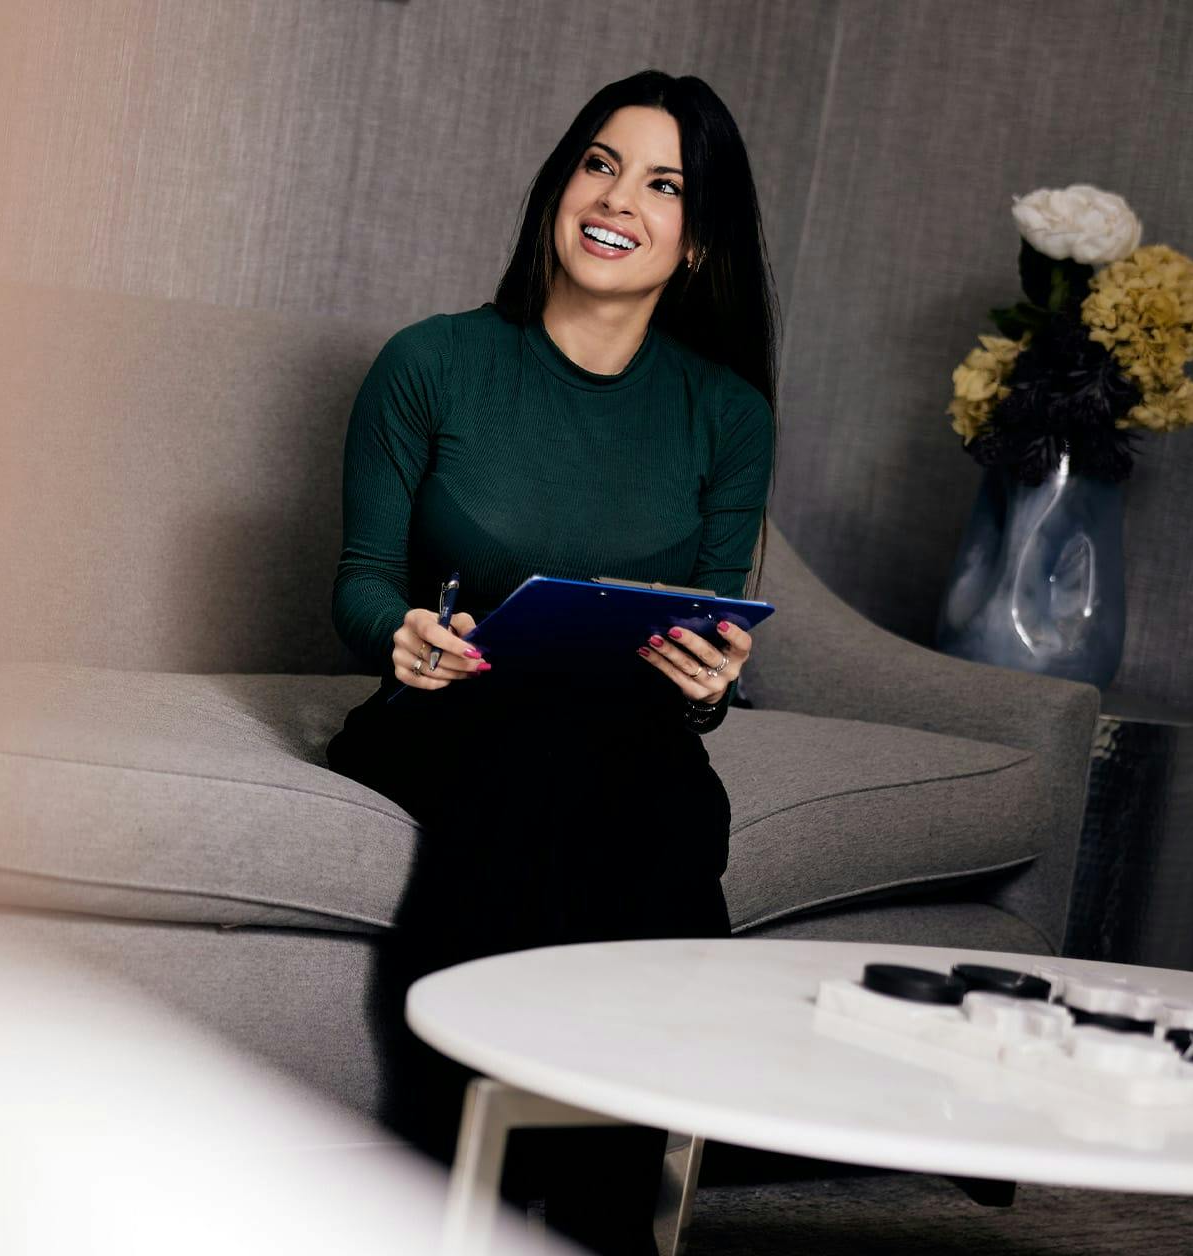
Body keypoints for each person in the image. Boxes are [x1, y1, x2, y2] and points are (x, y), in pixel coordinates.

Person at [322, 68, 779, 1256]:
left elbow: (717, 620)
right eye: (600, 162)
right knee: (552, 785)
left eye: (664, 183)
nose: (618, 196)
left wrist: (716, 678)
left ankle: (579, 1211)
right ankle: (476, 1197)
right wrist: (398, 634)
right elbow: (362, 578)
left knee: (671, 810)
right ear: (559, 185)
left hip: (623, 727)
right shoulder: (431, 363)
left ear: (696, 243)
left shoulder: (725, 413)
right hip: (449, 708)